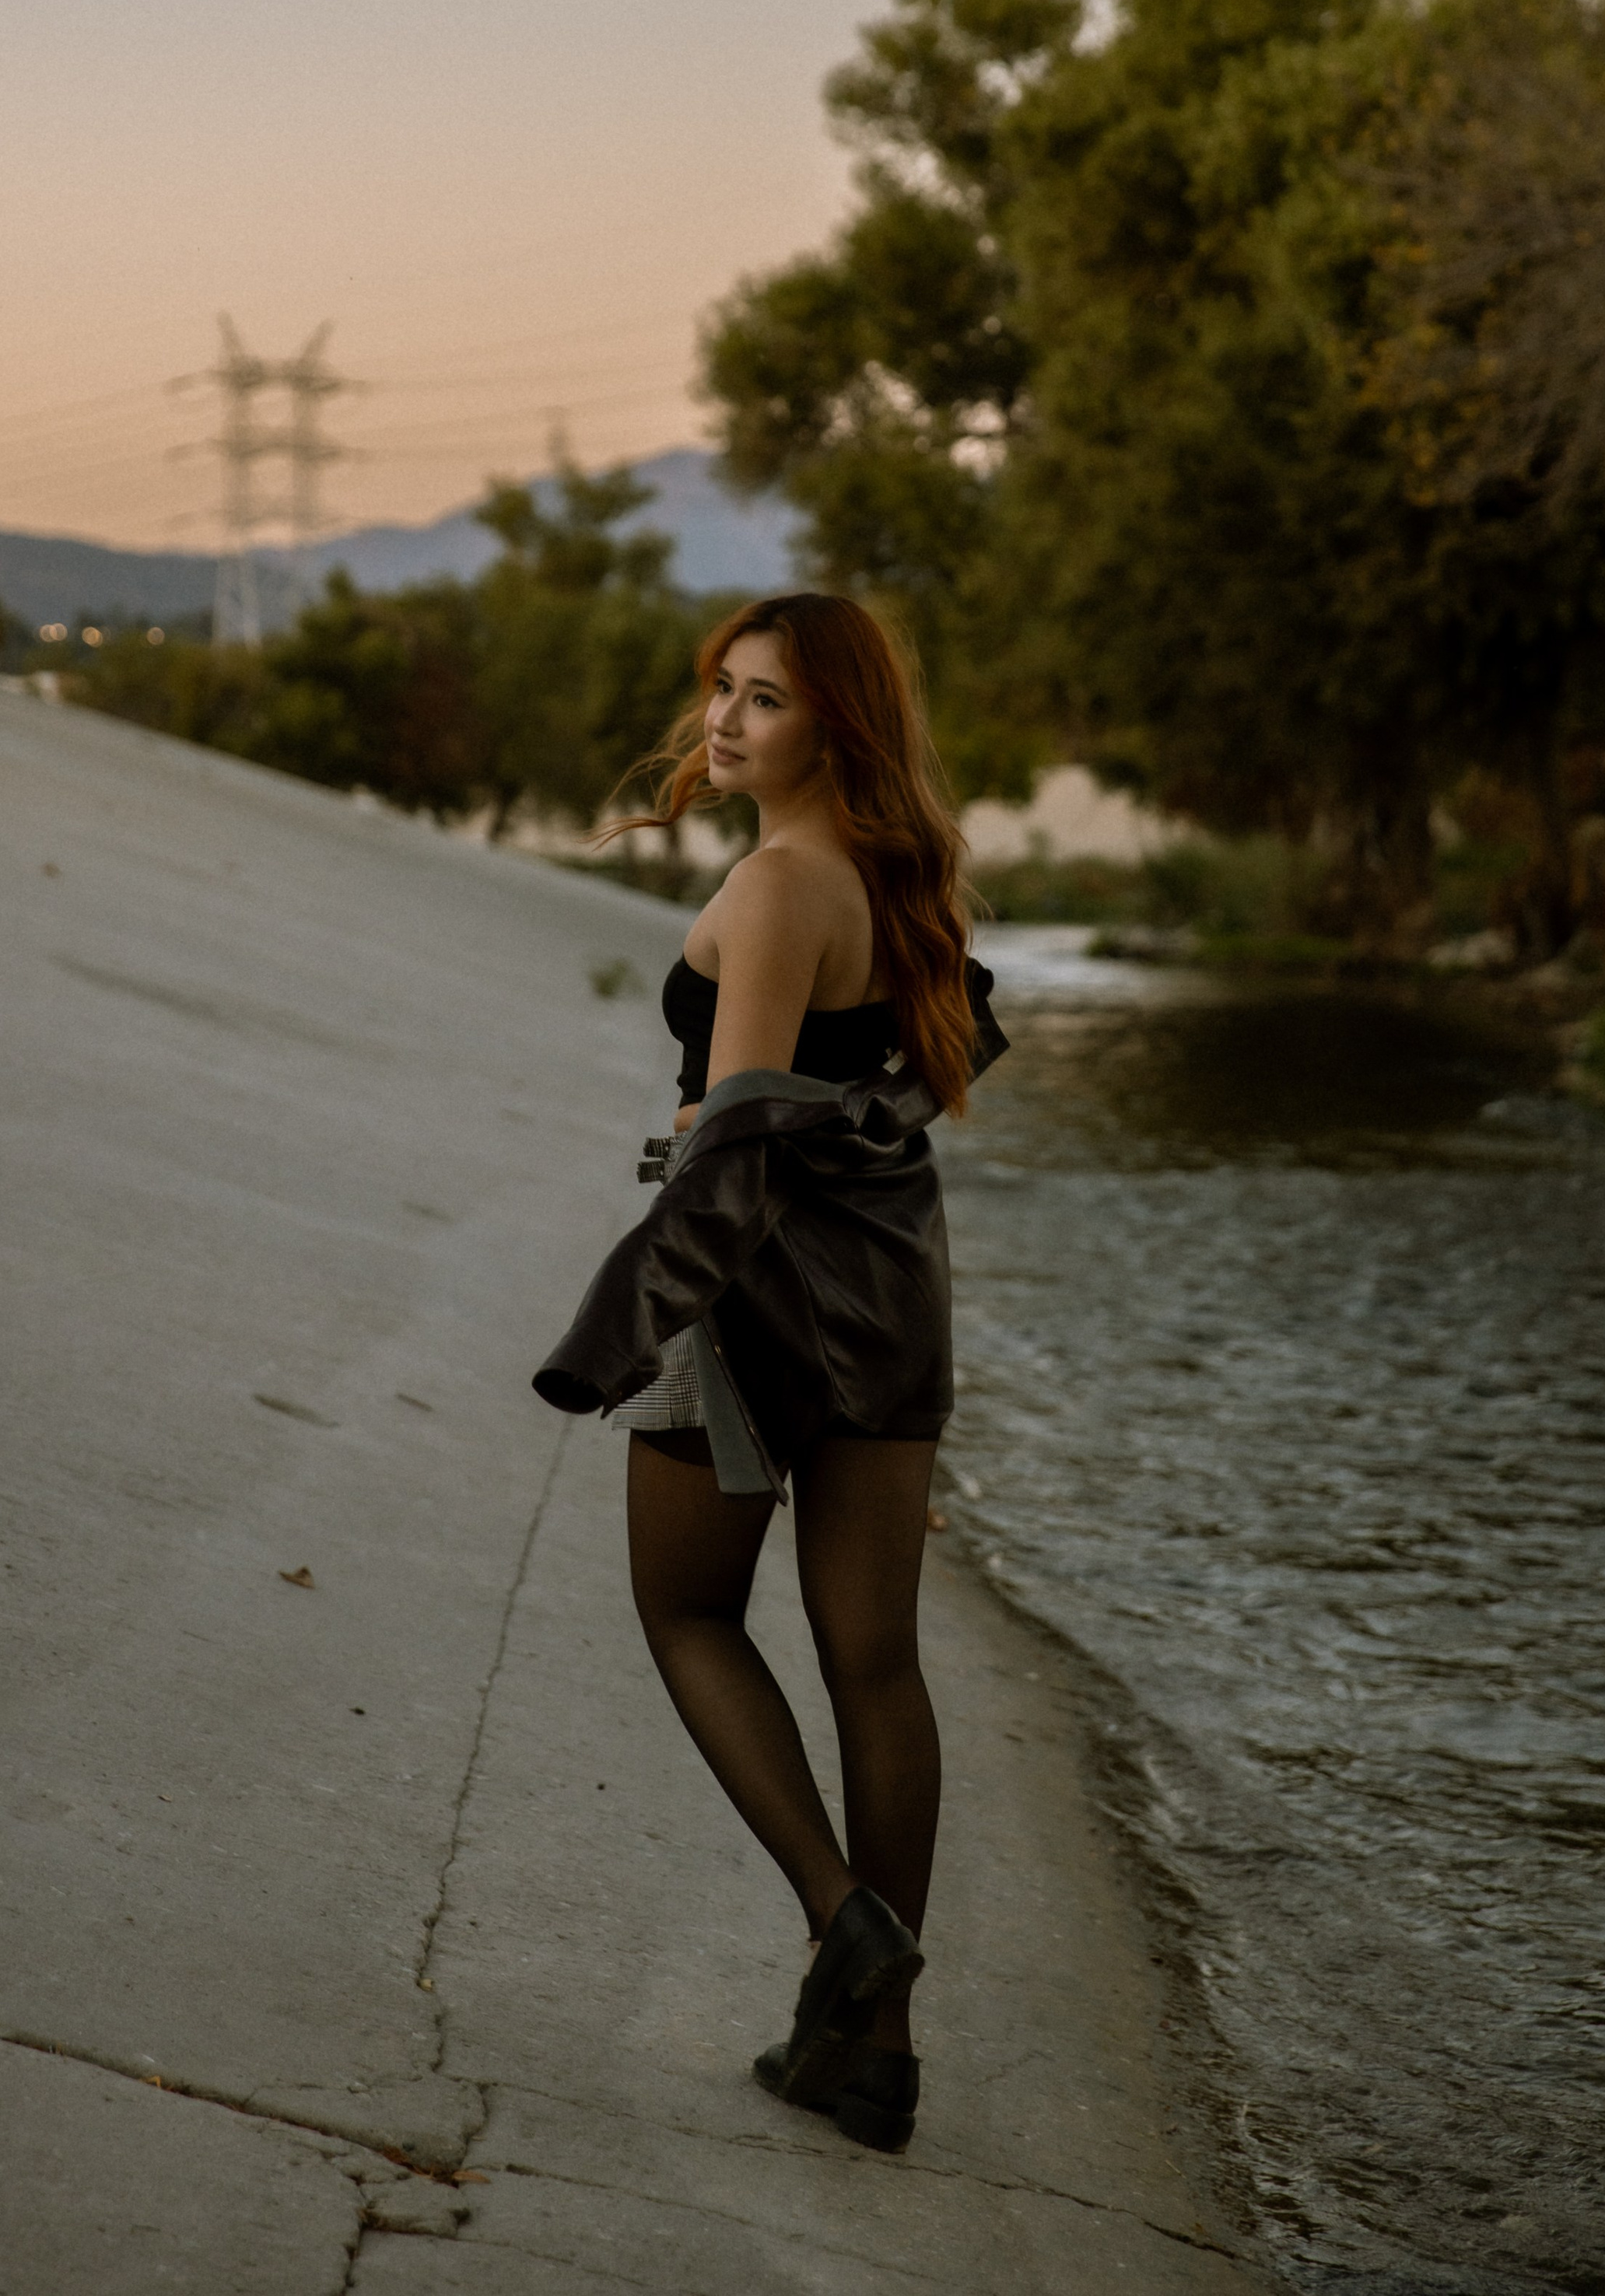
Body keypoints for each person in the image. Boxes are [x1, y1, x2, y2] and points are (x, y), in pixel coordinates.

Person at [532, 590, 1003, 2154]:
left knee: (684, 1610)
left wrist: (627, 1321)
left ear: (836, 726)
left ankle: (837, 1911)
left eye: (765, 700)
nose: (725, 722)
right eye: (720, 691)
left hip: (742, 1302)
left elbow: (729, 1144)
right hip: (888, 1293)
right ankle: (875, 2054)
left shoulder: (773, 882)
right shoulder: (895, 880)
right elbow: (903, 1083)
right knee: (875, 1659)